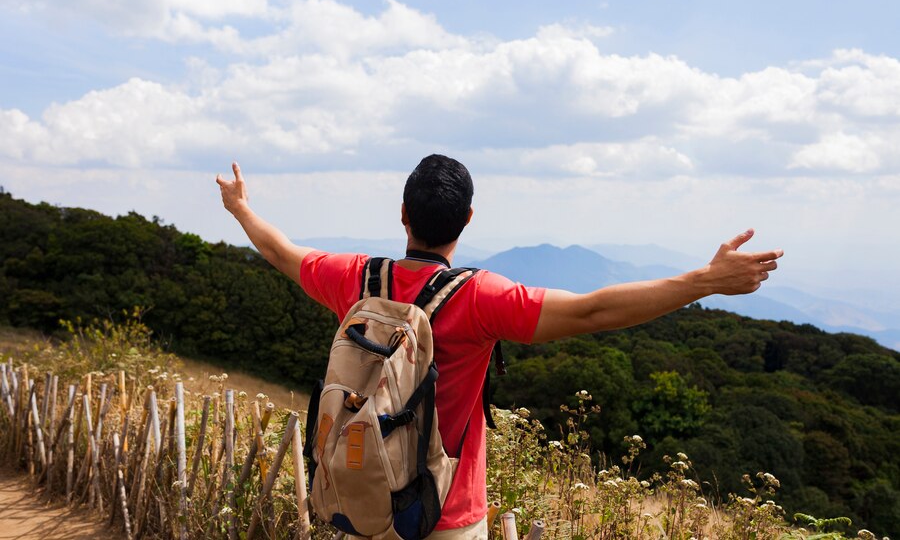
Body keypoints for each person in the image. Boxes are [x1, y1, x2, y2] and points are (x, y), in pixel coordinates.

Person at [217, 154, 782, 539]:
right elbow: (595, 309)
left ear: (404, 216)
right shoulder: (480, 298)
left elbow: (283, 252)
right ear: (466, 220)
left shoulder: (356, 280)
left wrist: (241, 207)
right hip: (447, 515)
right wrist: (704, 282)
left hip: (365, 504)